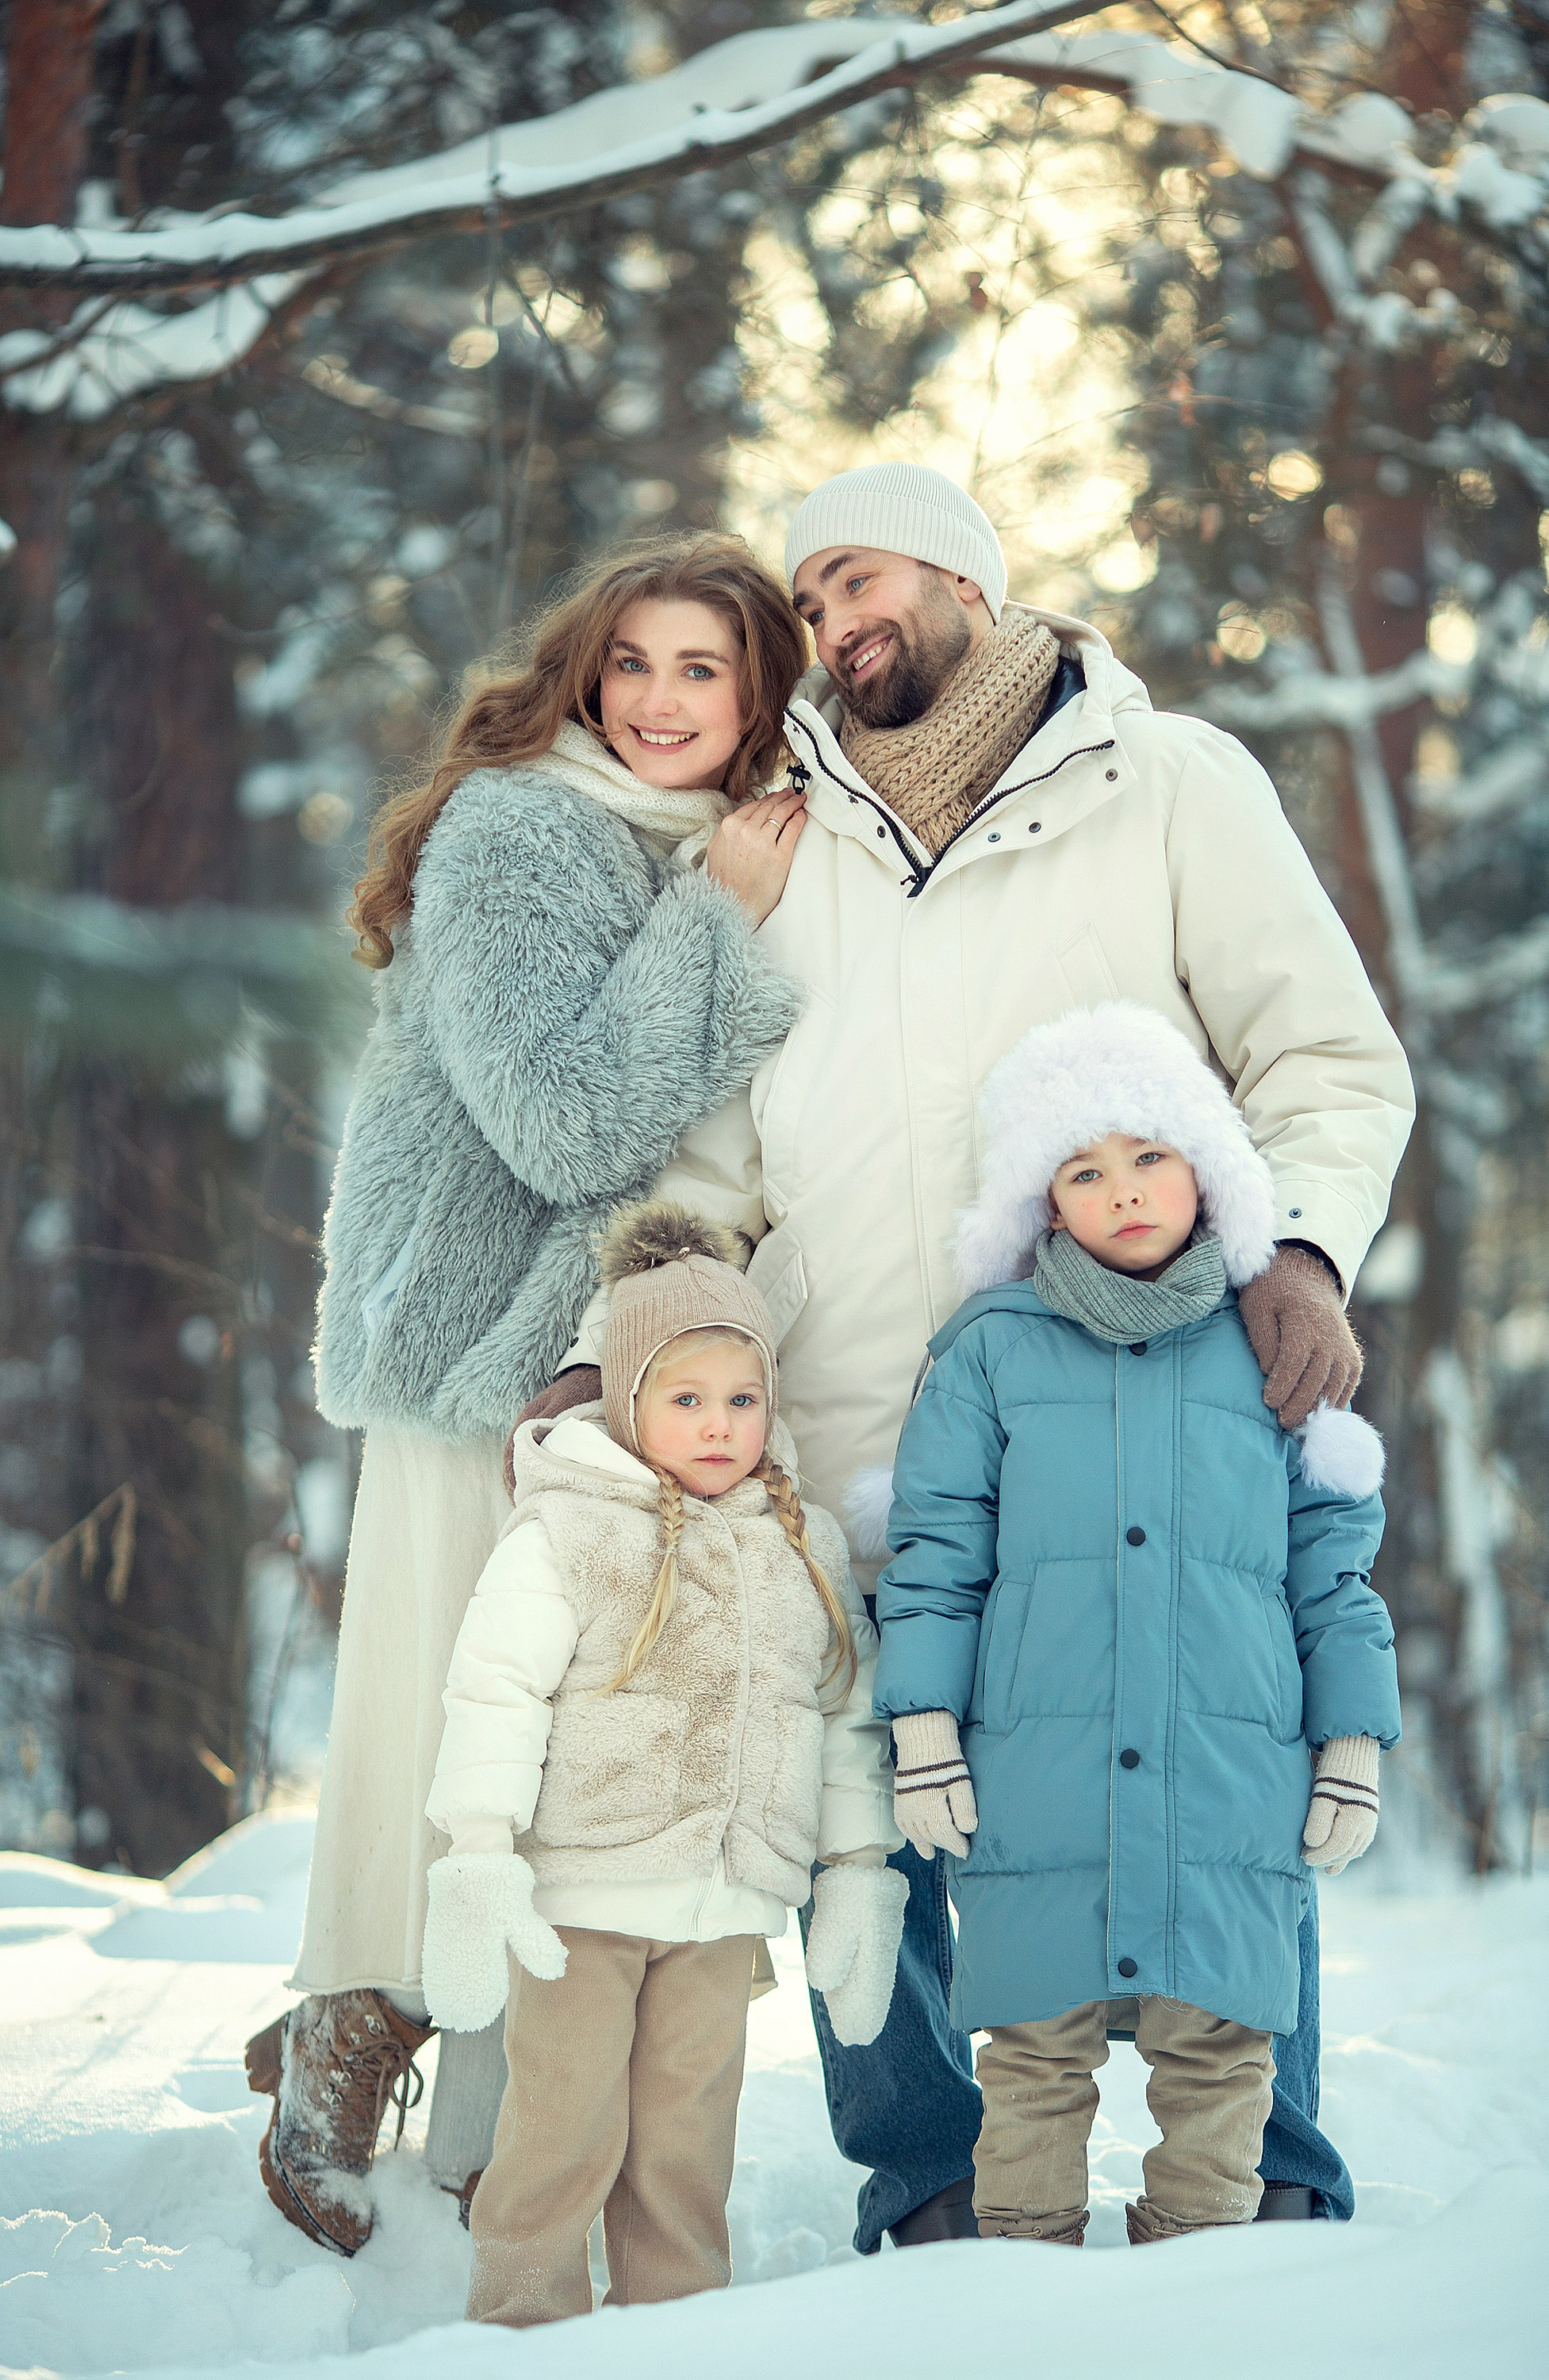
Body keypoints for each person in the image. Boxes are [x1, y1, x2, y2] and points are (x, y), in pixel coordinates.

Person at [535, 464, 1416, 2244]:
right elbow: (706, 1168)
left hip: (1152, 1406)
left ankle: (1270, 2189)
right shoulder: (784, 841)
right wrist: (612, 1347)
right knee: (872, 1800)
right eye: (811, 594)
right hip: (859, 1406)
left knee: (1212, 1780)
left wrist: (1304, 1252)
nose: (833, 616)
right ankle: (934, 2184)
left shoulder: (1164, 785)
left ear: (962, 573)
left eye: (857, 572)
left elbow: (1324, 1061)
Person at [245, 533, 812, 2255]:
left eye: (702, 671)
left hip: (617, 1368)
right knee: (437, 1714)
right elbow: (562, 1121)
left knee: (560, 1750)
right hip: (476, 1355)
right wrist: (716, 916)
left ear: (758, 696)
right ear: (582, 675)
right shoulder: (517, 833)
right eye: (630, 664)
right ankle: (347, 2035)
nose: (658, 702)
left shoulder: (719, 842)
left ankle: (492, 2135)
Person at [872, 1002, 1401, 2246]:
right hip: (1035, 1782)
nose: (1123, 1191)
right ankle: (1022, 2275)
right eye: (1085, 1169)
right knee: (1033, 2059)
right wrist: (925, 1727)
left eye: (1149, 1155)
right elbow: (936, 1554)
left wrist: (1353, 1742)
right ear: (1044, 1202)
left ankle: (1199, 2280)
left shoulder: (1273, 1347)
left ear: (1209, 1167)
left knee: (1222, 2055)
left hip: (1229, 1782)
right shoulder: (989, 1353)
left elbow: (1335, 1569)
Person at [419, 1203, 903, 2324]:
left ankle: (681, 2328)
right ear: (627, 1400)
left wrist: (860, 1867)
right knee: (562, 2123)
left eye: (742, 1399)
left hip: (723, 1909)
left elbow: (843, 1713)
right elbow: (495, 1690)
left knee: (688, 2136)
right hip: (580, 1903)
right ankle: (523, 2325)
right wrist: (478, 1853)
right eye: (686, 1400)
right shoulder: (568, 1529)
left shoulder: (799, 1545)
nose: (720, 1424)